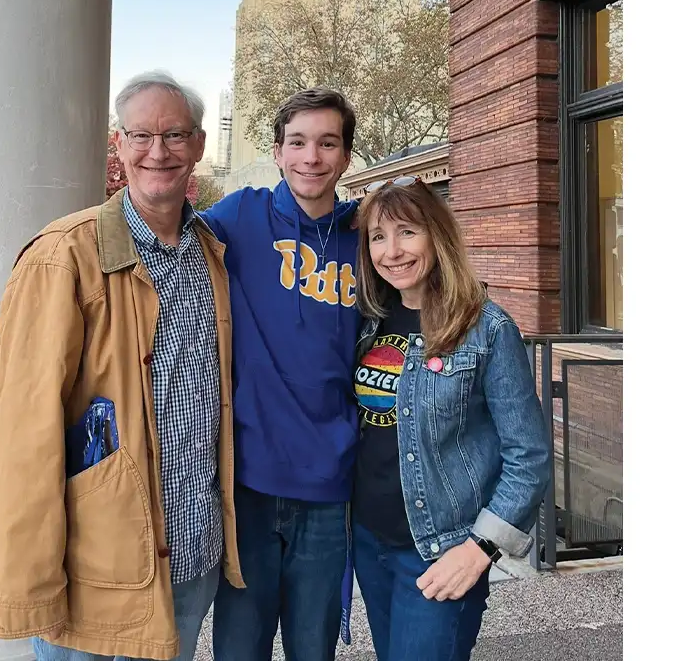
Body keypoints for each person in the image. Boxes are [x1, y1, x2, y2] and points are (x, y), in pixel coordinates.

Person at [0, 71, 244, 661]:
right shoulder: (63, 255)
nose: (160, 151)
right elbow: (25, 433)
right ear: (119, 144)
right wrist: (32, 585)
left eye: (176, 135)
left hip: (193, 552)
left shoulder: (212, 251)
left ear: (199, 145)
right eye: (142, 135)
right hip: (98, 570)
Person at [349, 176, 552, 661]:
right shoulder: (368, 320)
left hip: (441, 549)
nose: (392, 250)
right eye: (378, 236)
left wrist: (481, 548)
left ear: (437, 236)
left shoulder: (487, 328)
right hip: (370, 542)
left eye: (407, 232)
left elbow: (529, 457)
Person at [201, 88, 362, 661]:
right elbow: (158, 240)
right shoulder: (239, 215)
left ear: (345, 156)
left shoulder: (367, 238)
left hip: (329, 483)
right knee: (240, 648)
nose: (311, 157)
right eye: (297, 143)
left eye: (327, 143)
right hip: (247, 480)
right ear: (276, 151)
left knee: (312, 649)